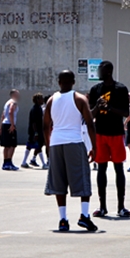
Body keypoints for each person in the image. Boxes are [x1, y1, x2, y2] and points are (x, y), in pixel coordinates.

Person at [44, 70, 98, 232]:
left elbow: (46, 125)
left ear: (58, 82)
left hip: (56, 142)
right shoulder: (79, 98)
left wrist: (48, 146)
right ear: (74, 81)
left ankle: (62, 219)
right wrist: (94, 147)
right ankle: (84, 216)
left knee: (59, 182)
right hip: (74, 141)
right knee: (82, 177)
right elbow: (89, 123)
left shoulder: (51, 100)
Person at [88, 61, 130, 218]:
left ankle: (121, 206)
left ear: (108, 71)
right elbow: (90, 114)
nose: (98, 72)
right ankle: (102, 206)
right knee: (101, 169)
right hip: (100, 133)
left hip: (116, 133)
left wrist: (110, 108)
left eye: (100, 69)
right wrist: (98, 108)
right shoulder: (95, 89)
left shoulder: (120, 89)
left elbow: (126, 112)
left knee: (119, 169)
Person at [0, 89, 20, 171]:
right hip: (9, 125)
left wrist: (0, 127)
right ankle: (9, 163)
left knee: (6, 146)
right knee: (12, 145)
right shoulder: (13, 102)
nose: (18, 96)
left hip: (5, 124)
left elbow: (3, 115)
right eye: (17, 94)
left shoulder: (7, 102)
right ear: (13, 95)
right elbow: (10, 112)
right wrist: (12, 125)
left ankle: (5, 163)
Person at [22, 93, 47, 169]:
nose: (43, 100)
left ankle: (24, 162)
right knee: (38, 146)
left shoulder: (38, 108)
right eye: (41, 98)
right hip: (35, 131)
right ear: (37, 100)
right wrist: (36, 133)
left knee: (29, 146)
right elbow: (34, 122)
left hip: (36, 131)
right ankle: (43, 164)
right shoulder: (36, 109)